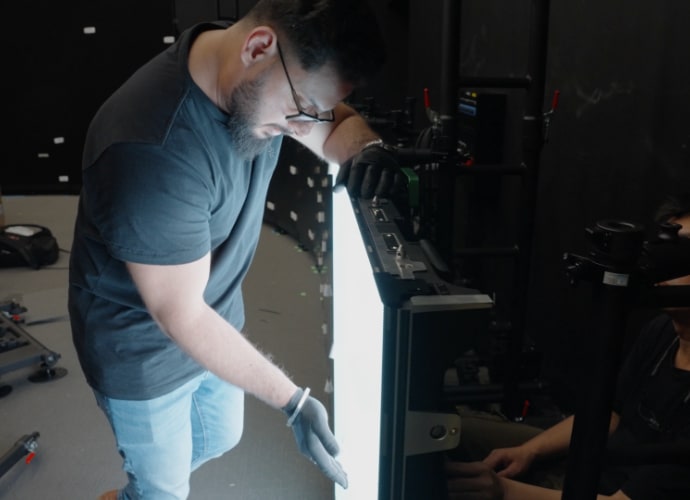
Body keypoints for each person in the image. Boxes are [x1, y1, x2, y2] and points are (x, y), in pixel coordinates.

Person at [67, 1, 399, 498]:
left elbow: (335, 124)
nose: (304, 127)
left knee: (220, 436)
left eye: (316, 110)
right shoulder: (148, 149)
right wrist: (293, 401)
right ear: (258, 47)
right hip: (142, 351)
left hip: (216, 316)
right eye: (302, 106)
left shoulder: (254, 73)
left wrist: (367, 148)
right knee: (163, 490)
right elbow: (181, 315)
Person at [445, 192, 690, 500]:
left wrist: (503, 491)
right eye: (666, 246)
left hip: (607, 493)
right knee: (451, 432)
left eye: (683, 254)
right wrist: (528, 451)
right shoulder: (661, 331)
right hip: (591, 464)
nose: (667, 265)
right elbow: (610, 416)